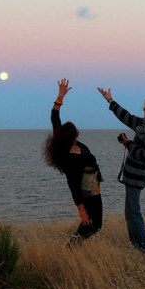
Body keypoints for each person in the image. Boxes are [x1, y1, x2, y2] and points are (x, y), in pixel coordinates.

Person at [96, 87, 145, 254]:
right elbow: (125, 117)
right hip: (133, 176)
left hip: (137, 176)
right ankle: (138, 248)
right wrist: (110, 100)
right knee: (131, 213)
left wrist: (127, 143)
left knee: (133, 214)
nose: (143, 109)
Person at [44, 79, 104, 246]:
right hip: (86, 192)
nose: (77, 137)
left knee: (96, 224)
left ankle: (73, 246)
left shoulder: (74, 145)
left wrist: (60, 96)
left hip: (93, 186)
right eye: (75, 135)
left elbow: (54, 117)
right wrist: (82, 212)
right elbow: (73, 187)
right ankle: (71, 248)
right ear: (69, 137)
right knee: (93, 223)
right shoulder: (68, 158)